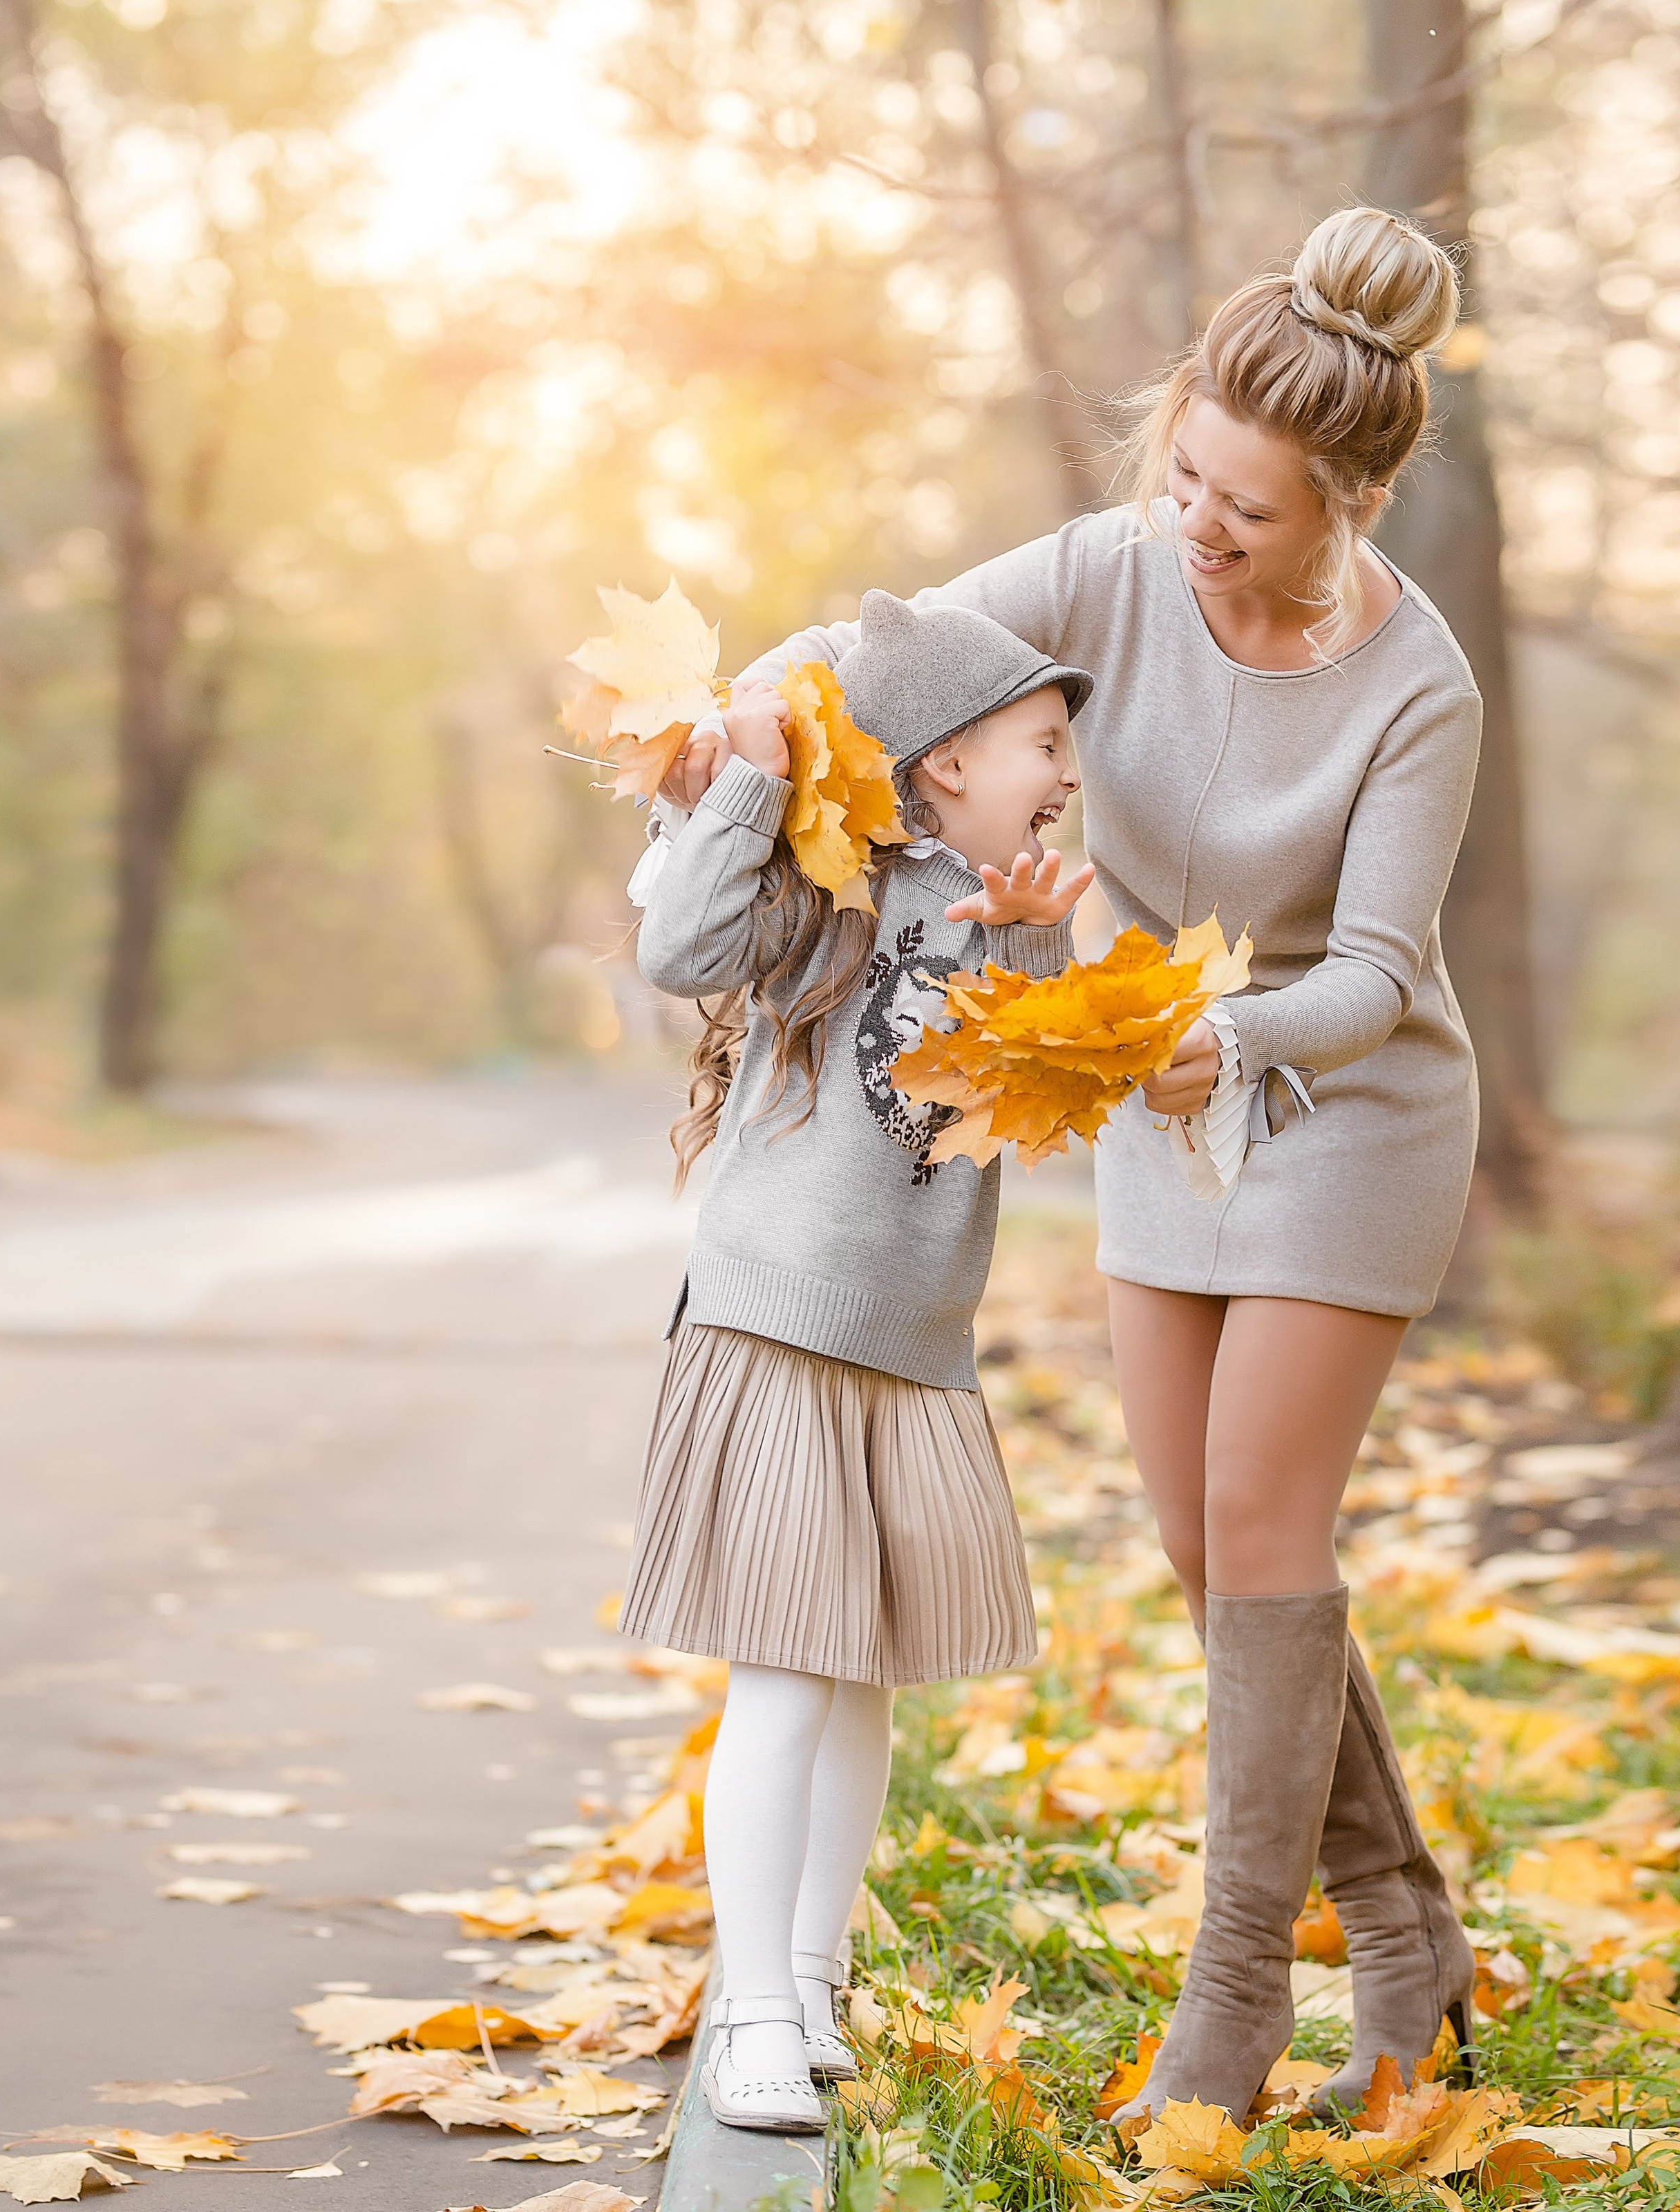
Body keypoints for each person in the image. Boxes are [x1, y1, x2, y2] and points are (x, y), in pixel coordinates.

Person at [672, 205, 1484, 2124]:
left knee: (1269, 1537)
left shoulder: (1418, 686)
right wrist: (739, 716)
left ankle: (1235, 2004)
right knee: (1213, 1557)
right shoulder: (1112, 568)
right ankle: (1403, 1925)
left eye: (1251, 508)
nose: (1199, 523)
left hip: (1333, 1107)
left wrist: (1239, 1036)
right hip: (1146, 1089)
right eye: (1188, 470)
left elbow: (1371, 973)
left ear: (1352, 502)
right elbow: (882, 651)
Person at [622, 590, 1095, 2132]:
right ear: (944, 761)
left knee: (862, 1678)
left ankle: (812, 1975)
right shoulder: (834, 883)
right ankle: (749, 2001)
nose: (1065, 770)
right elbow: (677, 941)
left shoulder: (1005, 903)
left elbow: (1031, 1104)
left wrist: (1040, 953)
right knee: (784, 1672)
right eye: (1041, 740)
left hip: (911, 1339)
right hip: (778, 1319)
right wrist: (749, 780)